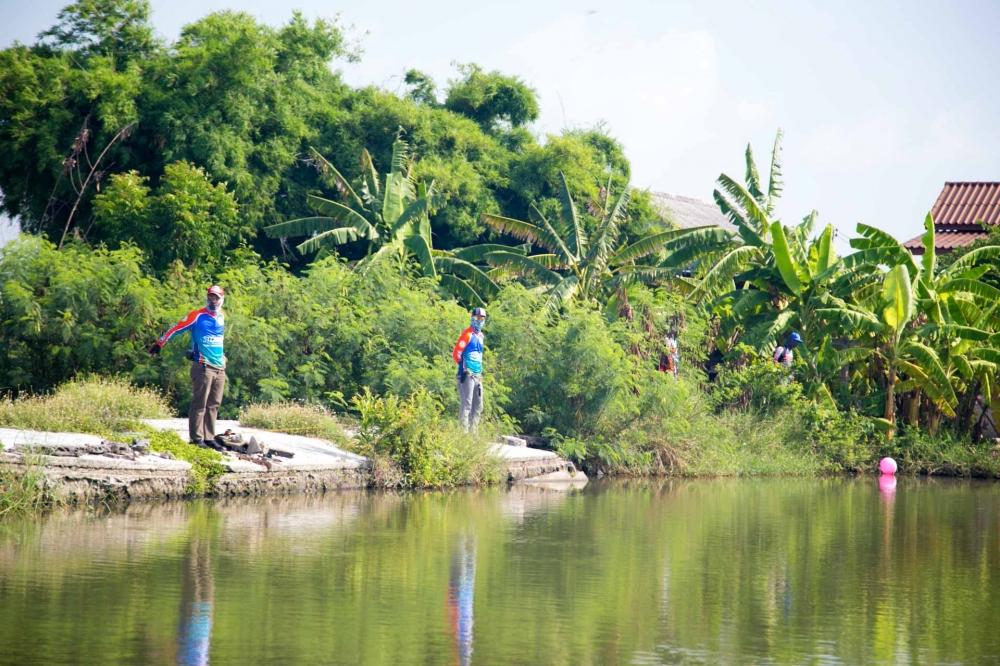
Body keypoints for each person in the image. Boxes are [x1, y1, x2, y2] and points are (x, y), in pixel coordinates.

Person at [149, 286, 227, 446]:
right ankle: (196, 438)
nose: (213, 300)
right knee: (200, 403)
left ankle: (209, 437)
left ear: (222, 300)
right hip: (203, 366)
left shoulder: (221, 318)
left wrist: (223, 357)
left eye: (216, 297)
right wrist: (159, 344)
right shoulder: (197, 316)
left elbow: (218, 341)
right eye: (210, 297)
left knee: (214, 404)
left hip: (220, 367)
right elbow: (175, 328)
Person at [452, 307, 486, 432]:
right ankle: (463, 433)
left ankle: (474, 432)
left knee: (478, 405)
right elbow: (456, 353)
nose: (480, 321)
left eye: (482, 318)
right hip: (468, 374)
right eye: (478, 318)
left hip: (478, 374)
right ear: (473, 318)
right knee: (467, 404)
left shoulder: (481, 336)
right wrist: (464, 368)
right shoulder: (467, 335)